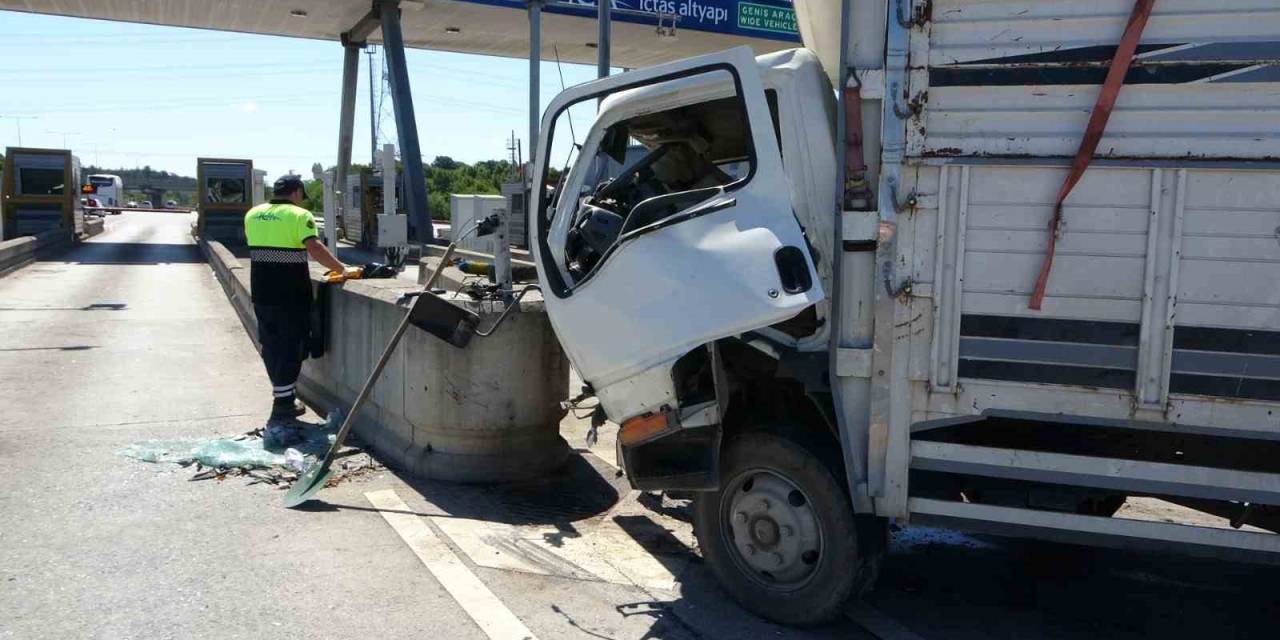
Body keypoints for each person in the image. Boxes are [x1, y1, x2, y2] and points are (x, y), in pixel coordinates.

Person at [244, 175, 347, 421]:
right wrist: (341, 269)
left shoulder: (253, 214)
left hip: (261, 290)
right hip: (290, 293)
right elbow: (314, 248)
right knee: (293, 345)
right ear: (297, 193)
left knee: (271, 344)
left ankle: (285, 397)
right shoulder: (300, 216)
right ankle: (282, 404)